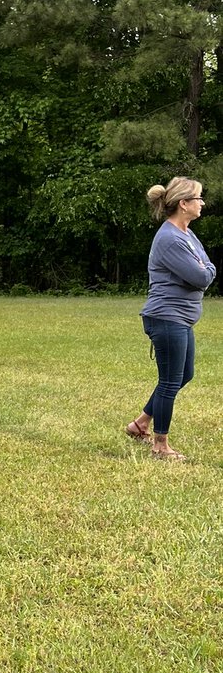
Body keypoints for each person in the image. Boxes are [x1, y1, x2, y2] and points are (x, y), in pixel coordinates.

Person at [124, 177, 216, 461]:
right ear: (183, 204)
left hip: (180, 319)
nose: (202, 203)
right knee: (169, 382)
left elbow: (207, 268)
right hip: (166, 317)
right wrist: (205, 270)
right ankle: (160, 445)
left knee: (184, 375)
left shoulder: (187, 234)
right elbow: (202, 276)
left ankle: (140, 424)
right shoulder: (169, 238)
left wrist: (205, 270)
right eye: (198, 198)